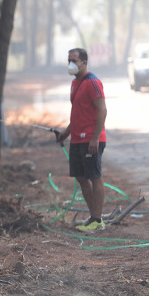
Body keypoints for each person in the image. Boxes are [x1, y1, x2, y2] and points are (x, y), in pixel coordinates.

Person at [56, 48, 108, 232]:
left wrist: (95, 138)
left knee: (94, 176)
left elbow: (102, 110)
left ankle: (97, 219)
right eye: (69, 60)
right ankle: (94, 217)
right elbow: (78, 114)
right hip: (77, 140)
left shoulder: (93, 82)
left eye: (74, 60)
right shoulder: (74, 83)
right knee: (81, 178)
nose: (71, 64)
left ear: (84, 62)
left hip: (91, 140)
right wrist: (66, 133)